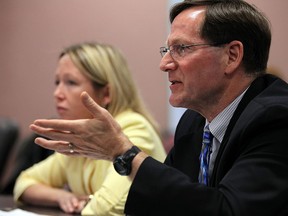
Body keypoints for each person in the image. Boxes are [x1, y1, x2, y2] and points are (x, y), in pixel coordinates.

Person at [29, 0, 288, 215]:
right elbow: (166, 206)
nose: (165, 64)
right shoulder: (194, 122)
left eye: (181, 48)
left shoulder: (277, 119)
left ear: (231, 56)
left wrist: (125, 155)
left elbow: (228, 211)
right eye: (167, 49)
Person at [14, 42, 166, 215]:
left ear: (106, 93)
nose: (57, 93)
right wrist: (61, 196)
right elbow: (24, 182)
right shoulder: (82, 133)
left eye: (71, 82)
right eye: (57, 82)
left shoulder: (133, 127)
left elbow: (107, 208)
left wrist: (90, 202)